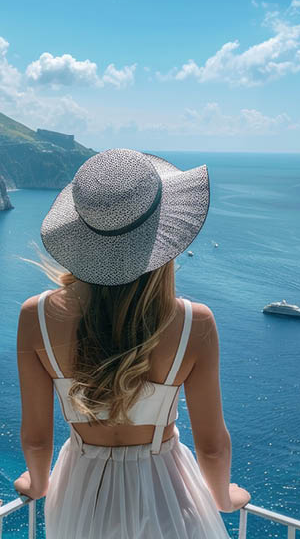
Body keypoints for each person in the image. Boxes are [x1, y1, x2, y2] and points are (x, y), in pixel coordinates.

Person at [14, 149, 250, 538]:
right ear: (164, 237)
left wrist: (37, 485)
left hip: (81, 496)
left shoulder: (36, 316)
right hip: (165, 496)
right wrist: (223, 497)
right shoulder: (194, 323)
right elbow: (212, 446)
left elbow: (36, 438)